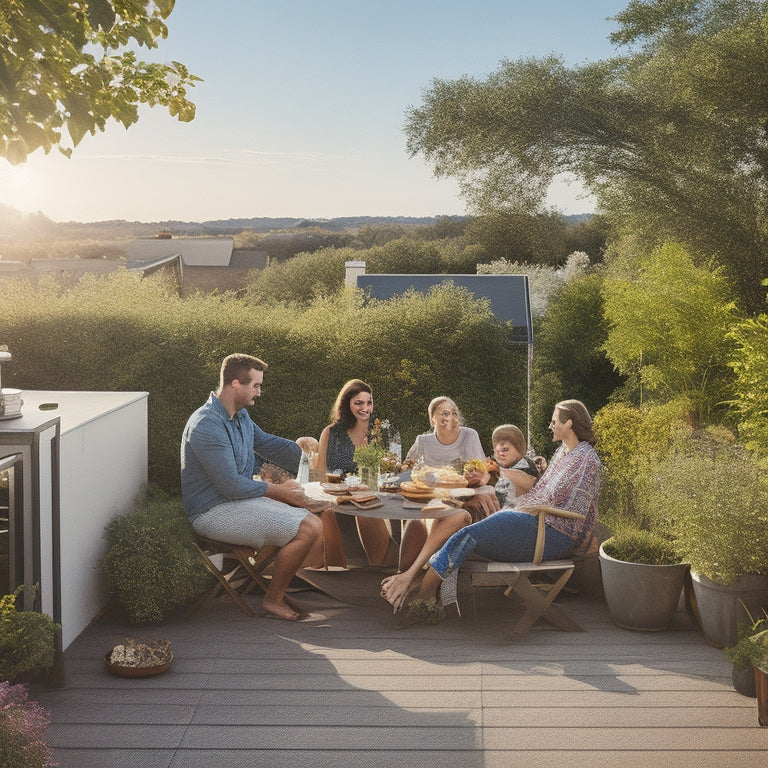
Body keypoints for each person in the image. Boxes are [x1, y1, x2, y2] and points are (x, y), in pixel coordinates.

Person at [402, 399, 602, 624]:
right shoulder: (565, 452)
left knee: (473, 531)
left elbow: (576, 508)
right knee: (468, 530)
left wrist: (533, 507)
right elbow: (542, 489)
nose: (550, 425)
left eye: (555, 421)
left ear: (570, 424)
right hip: (534, 525)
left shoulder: (586, 459)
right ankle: (425, 589)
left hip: (552, 535)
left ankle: (425, 593)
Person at [181, 353, 324, 621]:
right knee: (309, 527)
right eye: (256, 385)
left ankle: (267, 581)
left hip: (238, 501)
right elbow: (230, 485)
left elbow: (269, 443)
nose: (259, 392)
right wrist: (279, 492)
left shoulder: (240, 417)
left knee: (316, 516)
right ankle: (273, 599)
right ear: (235, 384)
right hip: (212, 511)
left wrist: (313, 460)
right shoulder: (206, 425)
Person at [380, 396, 490, 611]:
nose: (450, 418)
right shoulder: (423, 441)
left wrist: (479, 478)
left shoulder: (469, 436)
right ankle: (405, 581)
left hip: (463, 501)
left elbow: (484, 473)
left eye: (454, 413)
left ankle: (410, 579)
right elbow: (407, 472)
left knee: (439, 520)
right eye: (444, 413)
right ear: (432, 419)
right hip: (431, 502)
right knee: (415, 525)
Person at [316, 379, 398, 566]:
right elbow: (320, 473)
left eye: (369, 402)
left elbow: (393, 469)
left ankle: (385, 563)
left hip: (375, 497)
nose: (365, 408)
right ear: (347, 404)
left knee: (367, 509)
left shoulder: (379, 433)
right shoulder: (331, 434)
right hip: (340, 499)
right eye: (358, 403)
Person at [491, 424, 540, 507]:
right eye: (497, 451)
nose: (500, 454)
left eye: (505, 450)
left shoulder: (525, 466)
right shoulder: (498, 465)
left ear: (518, 448)